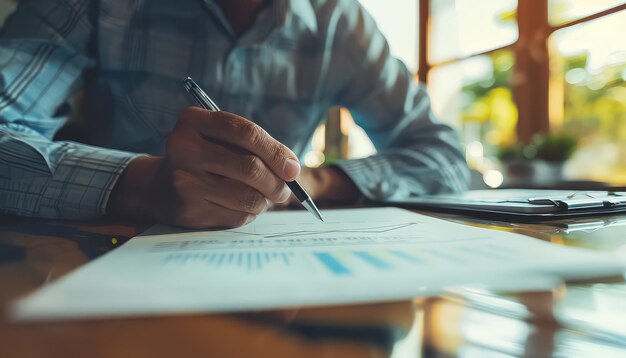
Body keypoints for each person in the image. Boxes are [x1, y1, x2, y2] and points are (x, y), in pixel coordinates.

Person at [0, 0, 469, 228]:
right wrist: (142, 184)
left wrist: (313, 182)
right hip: (102, 257)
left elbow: (443, 155)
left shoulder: (340, 23)